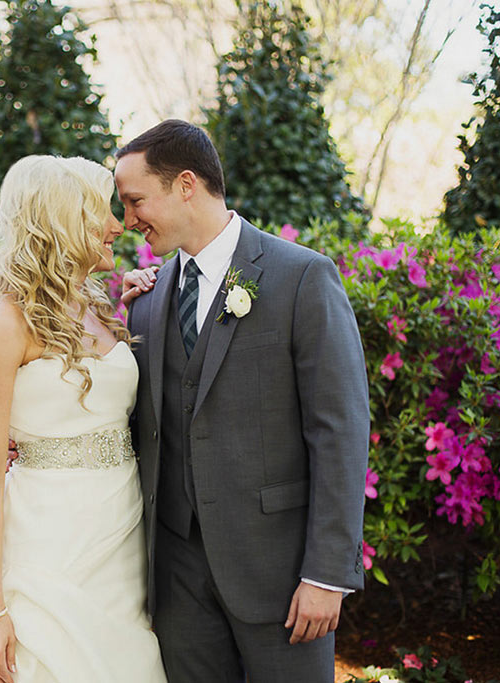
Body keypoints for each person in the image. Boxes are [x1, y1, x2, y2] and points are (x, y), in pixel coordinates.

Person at [116, 119, 369, 682]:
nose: (127, 219)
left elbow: (340, 430)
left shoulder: (302, 277)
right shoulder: (148, 300)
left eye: (135, 200)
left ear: (185, 185)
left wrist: (327, 574)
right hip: (177, 577)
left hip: (280, 574)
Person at [0, 155, 167, 683]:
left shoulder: (102, 308)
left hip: (122, 532)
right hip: (46, 541)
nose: (119, 226)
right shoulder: (2, 324)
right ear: (65, 220)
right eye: (104, 212)